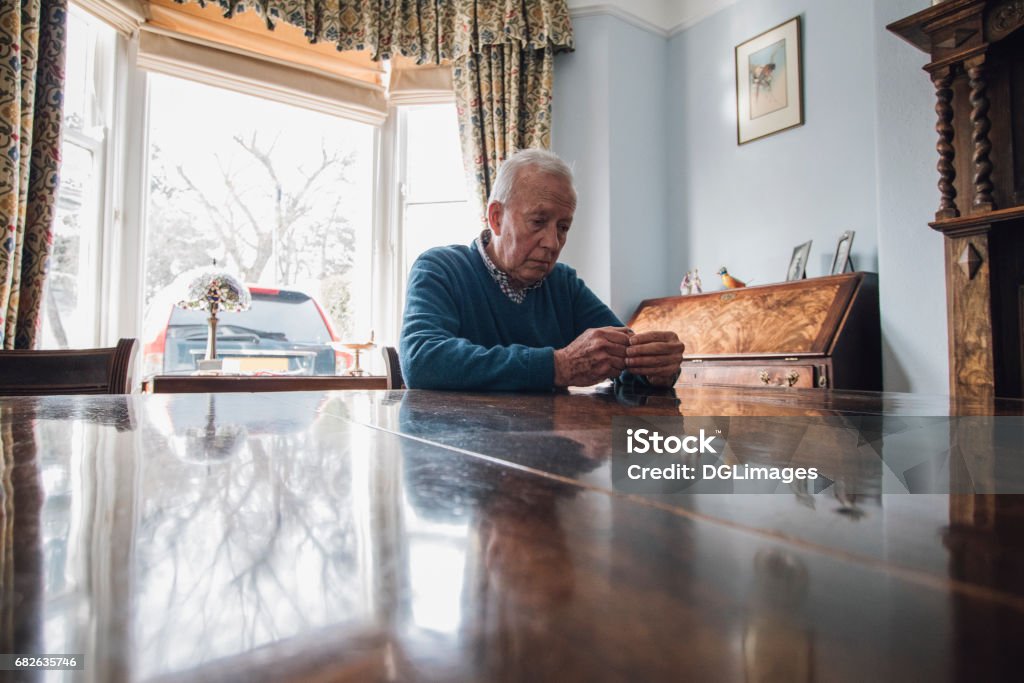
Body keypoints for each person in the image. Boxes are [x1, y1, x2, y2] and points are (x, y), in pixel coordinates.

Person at [400, 148, 684, 390]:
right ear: (496, 218)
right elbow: (421, 361)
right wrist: (556, 366)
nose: (552, 242)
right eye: (538, 221)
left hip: (545, 449)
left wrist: (656, 369)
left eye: (563, 227)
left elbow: (622, 360)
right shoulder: (440, 269)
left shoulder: (563, 285)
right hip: (457, 448)